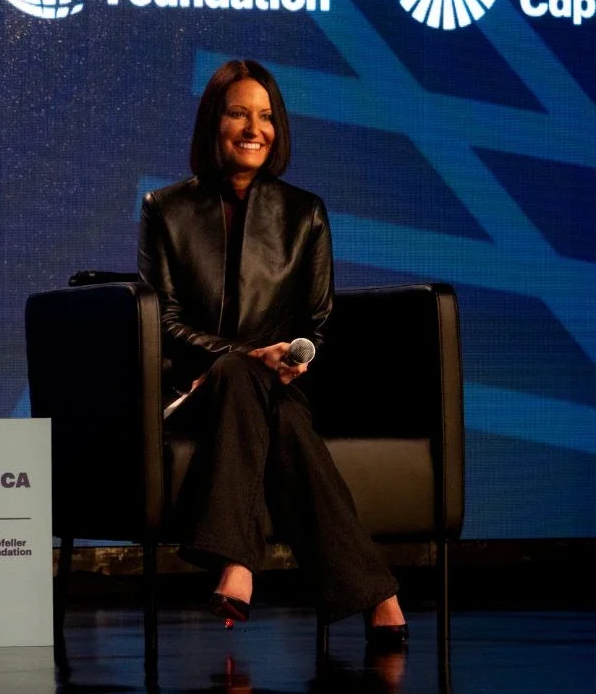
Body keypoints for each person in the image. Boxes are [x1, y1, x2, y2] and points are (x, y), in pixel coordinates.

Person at [137, 59, 408, 647]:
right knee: (238, 373)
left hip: (285, 387)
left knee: (265, 398)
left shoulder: (304, 212)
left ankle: (237, 562)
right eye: (238, 113)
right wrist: (245, 354)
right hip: (196, 391)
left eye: (265, 117)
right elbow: (164, 320)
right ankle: (378, 593)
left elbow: (319, 320)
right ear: (214, 123)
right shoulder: (166, 210)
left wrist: (295, 355)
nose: (253, 128)